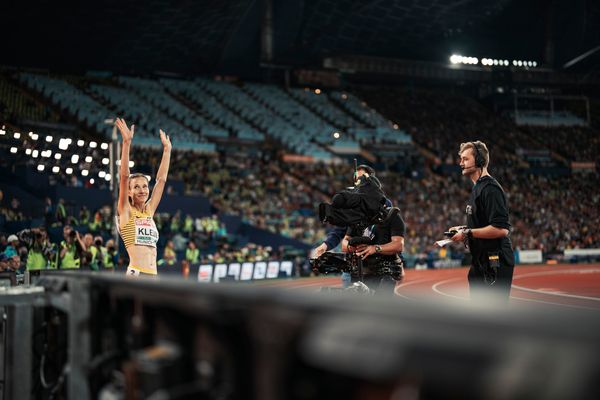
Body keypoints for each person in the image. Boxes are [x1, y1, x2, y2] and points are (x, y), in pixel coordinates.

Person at [448, 141, 514, 300]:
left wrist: (467, 232)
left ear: (479, 161)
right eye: (461, 159)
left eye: (465, 159)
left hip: (494, 260)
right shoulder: (478, 187)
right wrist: (463, 229)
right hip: (481, 259)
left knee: (492, 315)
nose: (461, 163)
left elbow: (501, 229)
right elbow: (483, 224)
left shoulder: (490, 189)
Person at [116, 118, 171, 277]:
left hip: (153, 275)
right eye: (136, 187)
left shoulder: (149, 211)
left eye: (145, 186)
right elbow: (125, 176)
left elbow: (161, 181)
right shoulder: (125, 210)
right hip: (137, 275)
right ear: (129, 192)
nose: (142, 190)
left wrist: (167, 151)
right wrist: (126, 143)